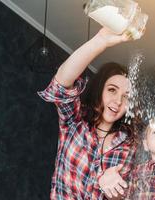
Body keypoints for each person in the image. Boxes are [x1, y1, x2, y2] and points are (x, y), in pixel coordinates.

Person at [38, 28, 141, 200]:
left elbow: (126, 195)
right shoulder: (74, 121)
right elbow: (61, 84)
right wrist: (100, 41)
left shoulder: (129, 144)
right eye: (112, 90)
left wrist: (114, 189)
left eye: (126, 97)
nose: (118, 101)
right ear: (100, 89)